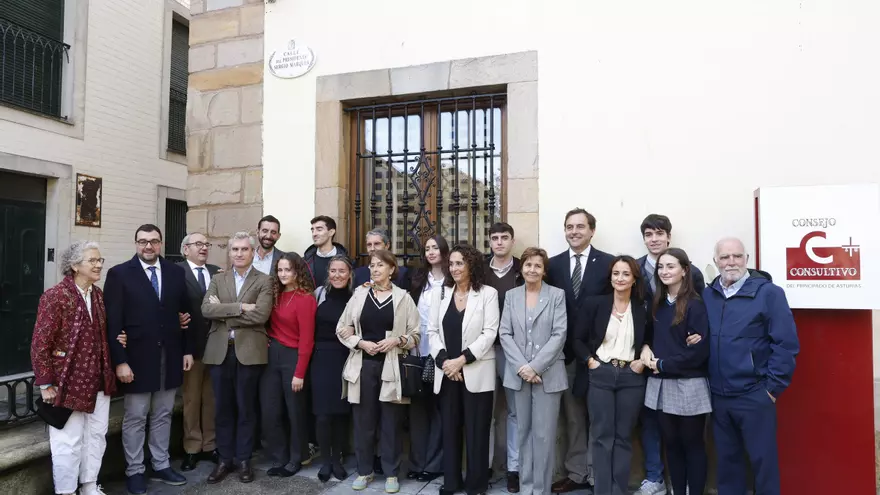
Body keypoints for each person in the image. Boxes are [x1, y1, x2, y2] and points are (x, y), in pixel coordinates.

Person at [703, 237, 799, 495]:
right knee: (727, 464)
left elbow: (786, 343)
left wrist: (772, 388)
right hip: (719, 396)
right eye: (724, 257)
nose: (730, 262)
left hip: (754, 394)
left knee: (763, 463)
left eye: (736, 256)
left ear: (747, 259)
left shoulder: (769, 293)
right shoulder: (708, 294)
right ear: (716, 262)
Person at [104, 225, 193, 494]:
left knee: (164, 413)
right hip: (136, 359)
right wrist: (120, 361)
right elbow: (113, 323)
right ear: (135, 244)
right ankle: (135, 470)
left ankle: (161, 463)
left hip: (170, 354)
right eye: (143, 241)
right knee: (136, 416)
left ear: (161, 243)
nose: (148, 246)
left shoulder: (176, 272)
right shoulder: (119, 274)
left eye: (153, 241)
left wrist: (187, 350)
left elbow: (185, 315)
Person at [31, 241, 116, 495]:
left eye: (100, 260)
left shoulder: (98, 295)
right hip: (68, 382)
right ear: (75, 265)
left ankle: (89, 485)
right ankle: (66, 491)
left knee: (96, 437)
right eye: (93, 260)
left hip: (99, 379)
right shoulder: (55, 296)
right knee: (68, 441)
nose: (99, 264)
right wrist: (46, 383)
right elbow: (40, 342)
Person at [336, 249, 420, 493]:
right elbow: (343, 328)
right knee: (364, 421)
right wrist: (360, 343)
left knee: (391, 422)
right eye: (372, 265)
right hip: (363, 365)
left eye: (380, 265)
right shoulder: (360, 294)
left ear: (392, 269)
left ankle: (391, 472)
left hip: (391, 365)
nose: (374, 269)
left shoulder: (403, 298)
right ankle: (364, 471)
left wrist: (397, 340)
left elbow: (416, 335)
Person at [636, 214, 705, 495]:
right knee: (666, 437)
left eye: (670, 267)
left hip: (686, 378)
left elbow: (699, 341)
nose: (665, 271)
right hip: (654, 373)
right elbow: (650, 330)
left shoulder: (695, 298)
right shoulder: (655, 300)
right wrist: (644, 349)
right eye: (661, 268)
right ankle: (666, 483)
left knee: (691, 441)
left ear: (684, 270)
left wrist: (663, 361)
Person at [547, 208, 613, 493]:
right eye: (569, 227)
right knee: (573, 418)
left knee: (601, 417)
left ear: (592, 230)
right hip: (565, 355)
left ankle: (600, 474)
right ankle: (576, 474)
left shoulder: (609, 263)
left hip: (601, 354)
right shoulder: (553, 265)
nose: (574, 231)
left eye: (580, 226)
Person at [574, 255, 651, 495]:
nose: (620, 278)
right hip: (601, 373)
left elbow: (649, 338)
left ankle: (618, 490)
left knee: (623, 436)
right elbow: (576, 338)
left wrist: (643, 358)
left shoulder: (642, 309)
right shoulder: (595, 304)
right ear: (610, 277)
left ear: (634, 279)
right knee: (601, 435)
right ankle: (603, 490)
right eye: (616, 273)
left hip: (631, 376)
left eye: (626, 274)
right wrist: (590, 361)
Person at [201, 232, 274, 484]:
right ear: (229, 252)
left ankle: (244, 460)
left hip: (249, 352)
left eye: (244, 249)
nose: (239, 253)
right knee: (222, 408)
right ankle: (224, 459)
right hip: (219, 351)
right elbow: (206, 309)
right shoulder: (218, 278)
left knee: (246, 408)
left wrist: (224, 309)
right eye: (235, 249)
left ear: (252, 252)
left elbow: (261, 315)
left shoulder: (264, 281)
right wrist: (242, 307)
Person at [427, 243, 500, 495]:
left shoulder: (487, 294)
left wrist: (462, 360)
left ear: (472, 265)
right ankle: (451, 482)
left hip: (476, 371)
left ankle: (476, 484)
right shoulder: (440, 293)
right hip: (447, 373)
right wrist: (446, 362)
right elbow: (432, 331)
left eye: (460, 263)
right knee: (450, 428)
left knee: (477, 429)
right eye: (452, 263)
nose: (455, 268)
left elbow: (490, 332)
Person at [498, 247, 567, 495]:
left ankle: (541, 489)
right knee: (523, 432)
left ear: (544, 270)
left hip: (548, 375)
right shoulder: (512, 296)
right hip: (518, 376)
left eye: (537, 266)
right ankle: (526, 488)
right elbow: (504, 333)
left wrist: (535, 367)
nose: (532, 270)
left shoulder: (557, 295)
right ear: (522, 268)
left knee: (544, 436)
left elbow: (559, 334)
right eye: (528, 265)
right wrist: (522, 368)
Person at [260, 252, 317, 477]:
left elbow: (307, 339)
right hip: (272, 355)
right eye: (280, 270)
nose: (283, 274)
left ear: (297, 272)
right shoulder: (274, 294)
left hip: (294, 357)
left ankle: (297, 457)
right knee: (270, 410)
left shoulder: (305, 298)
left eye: (288, 270)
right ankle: (279, 456)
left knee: (295, 411)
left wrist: (299, 373)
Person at [406, 235, 450, 483]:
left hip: (442, 355)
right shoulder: (418, 279)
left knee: (438, 412)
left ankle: (434, 465)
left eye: (435, 248)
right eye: (427, 249)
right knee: (417, 412)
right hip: (417, 352)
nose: (431, 252)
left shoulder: (452, 279)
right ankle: (416, 462)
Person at [483, 222, 523, 492]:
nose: (499, 242)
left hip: (515, 352)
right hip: (484, 351)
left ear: (512, 240)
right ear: (489, 242)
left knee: (515, 413)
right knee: (486, 411)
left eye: (504, 237)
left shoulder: (524, 269)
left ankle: (514, 469)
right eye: (494, 238)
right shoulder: (480, 271)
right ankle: (483, 467)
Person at [177, 233, 221, 472]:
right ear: (186, 249)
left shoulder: (217, 272)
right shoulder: (177, 272)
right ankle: (192, 448)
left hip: (216, 347)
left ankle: (210, 445)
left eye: (206, 244)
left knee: (211, 398)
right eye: (198, 244)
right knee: (192, 399)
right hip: (190, 348)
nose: (203, 248)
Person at [311, 256, 355, 482]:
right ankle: (325, 460)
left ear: (349, 274)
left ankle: (337, 459)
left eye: (342, 271)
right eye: (333, 270)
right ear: (328, 273)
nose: (337, 275)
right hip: (320, 358)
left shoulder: (356, 298)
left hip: (345, 357)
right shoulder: (319, 295)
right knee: (322, 414)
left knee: (340, 412)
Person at [304, 215, 349, 288]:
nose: (314, 234)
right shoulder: (305, 261)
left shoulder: (347, 261)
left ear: (331, 232)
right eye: (312, 230)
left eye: (319, 229)